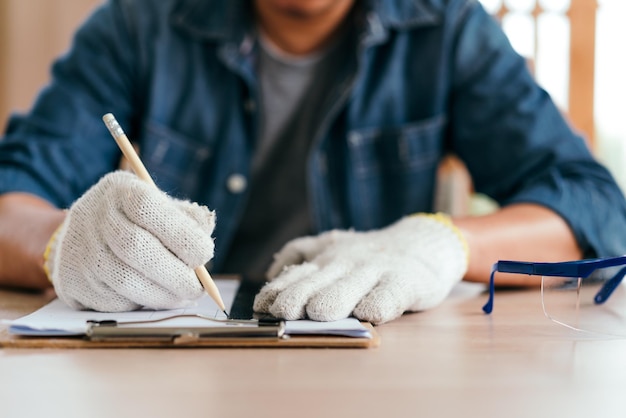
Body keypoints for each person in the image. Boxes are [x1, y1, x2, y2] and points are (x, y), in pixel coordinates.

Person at [0, 0, 625, 324]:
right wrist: (63, 244)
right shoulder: (139, 25)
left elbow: (594, 208)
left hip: (371, 370)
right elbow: (11, 198)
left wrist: (438, 245)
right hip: (161, 375)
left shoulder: (447, 27)